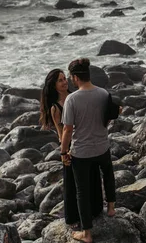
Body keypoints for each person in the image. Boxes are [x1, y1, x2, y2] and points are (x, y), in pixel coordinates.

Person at [60, 58, 117, 243]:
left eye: (70, 77)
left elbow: (68, 129)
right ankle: (111, 208)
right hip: (102, 147)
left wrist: (63, 151)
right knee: (108, 175)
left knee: (82, 191)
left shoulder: (72, 99)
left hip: (82, 152)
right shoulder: (103, 93)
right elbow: (108, 118)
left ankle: (87, 233)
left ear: (75, 77)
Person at [39, 68, 103, 230]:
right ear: (53, 85)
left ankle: (95, 211)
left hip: (88, 141)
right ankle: (74, 218)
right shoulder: (55, 108)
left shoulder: (75, 97)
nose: (64, 82)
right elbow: (62, 133)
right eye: (60, 80)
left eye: (64, 79)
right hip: (73, 147)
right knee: (73, 185)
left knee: (93, 177)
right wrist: (64, 151)